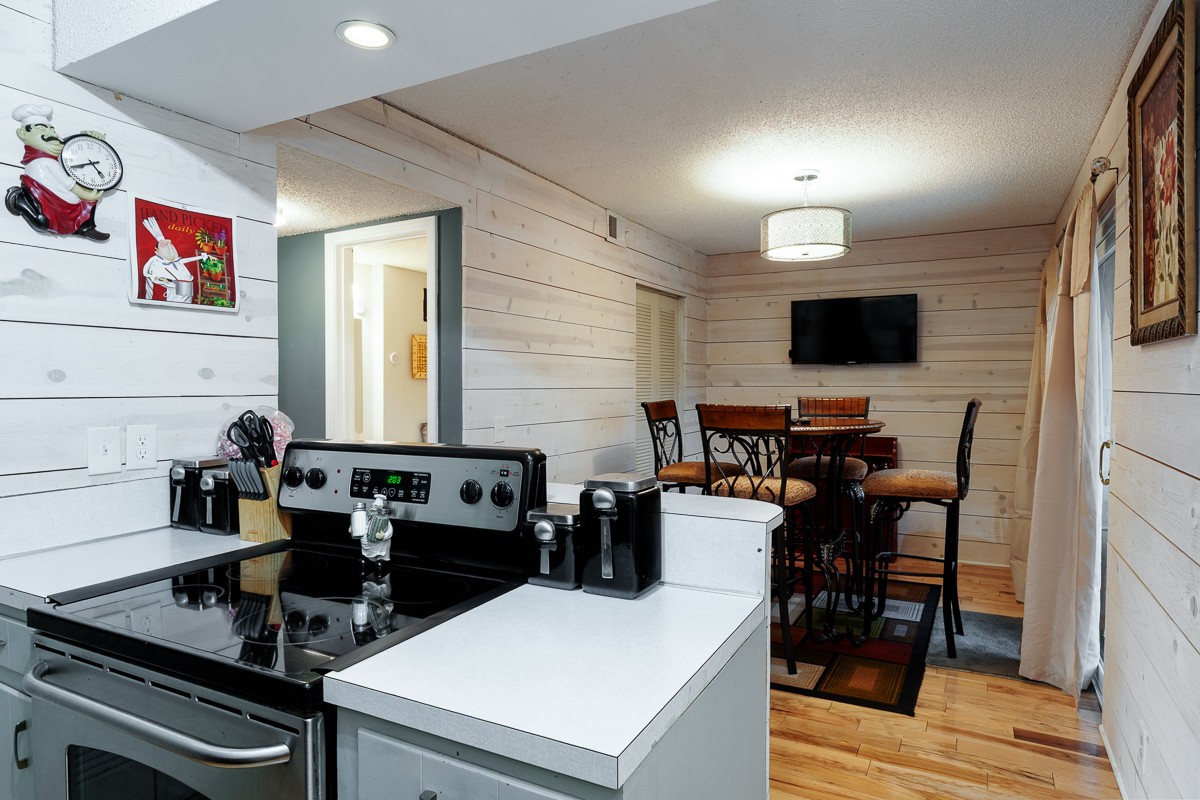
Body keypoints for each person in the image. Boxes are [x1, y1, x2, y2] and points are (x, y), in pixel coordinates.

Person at [4, 104, 109, 241]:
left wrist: (87, 137)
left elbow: (69, 144)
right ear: (23, 134)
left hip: (59, 198)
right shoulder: (46, 162)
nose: (51, 134)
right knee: (42, 223)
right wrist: (86, 194)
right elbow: (68, 184)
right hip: (46, 197)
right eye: (42, 129)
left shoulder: (51, 156)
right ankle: (19, 200)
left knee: (84, 204)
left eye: (52, 130)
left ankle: (85, 227)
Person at [141, 216, 202, 303]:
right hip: (165, 296)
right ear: (157, 251)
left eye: (170, 244)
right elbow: (147, 274)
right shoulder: (155, 262)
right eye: (164, 245)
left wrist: (201, 257)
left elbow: (185, 261)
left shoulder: (176, 261)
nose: (169, 246)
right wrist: (157, 278)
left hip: (184, 293)